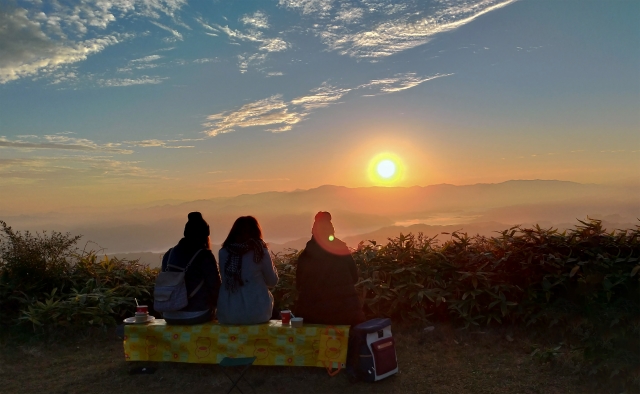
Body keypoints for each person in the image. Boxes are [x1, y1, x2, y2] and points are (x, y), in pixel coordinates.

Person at [294, 211, 365, 326]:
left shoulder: (306, 255)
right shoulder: (342, 249)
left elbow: (299, 285)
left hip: (313, 317)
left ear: (313, 231)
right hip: (346, 316)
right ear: (332, 230)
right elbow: (355, 278)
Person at [160, 212, 221, 325]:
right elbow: (215, 287)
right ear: (205, 235)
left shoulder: (169, 254)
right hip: (196, 313)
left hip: (168, 314)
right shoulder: (204, 256)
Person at [217, 216, 278, 325]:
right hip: (257, 314)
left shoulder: (223, 252)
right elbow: (272, 281)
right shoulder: (260, 252)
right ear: (256, 232)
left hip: (228, 314)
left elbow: (224, 280)